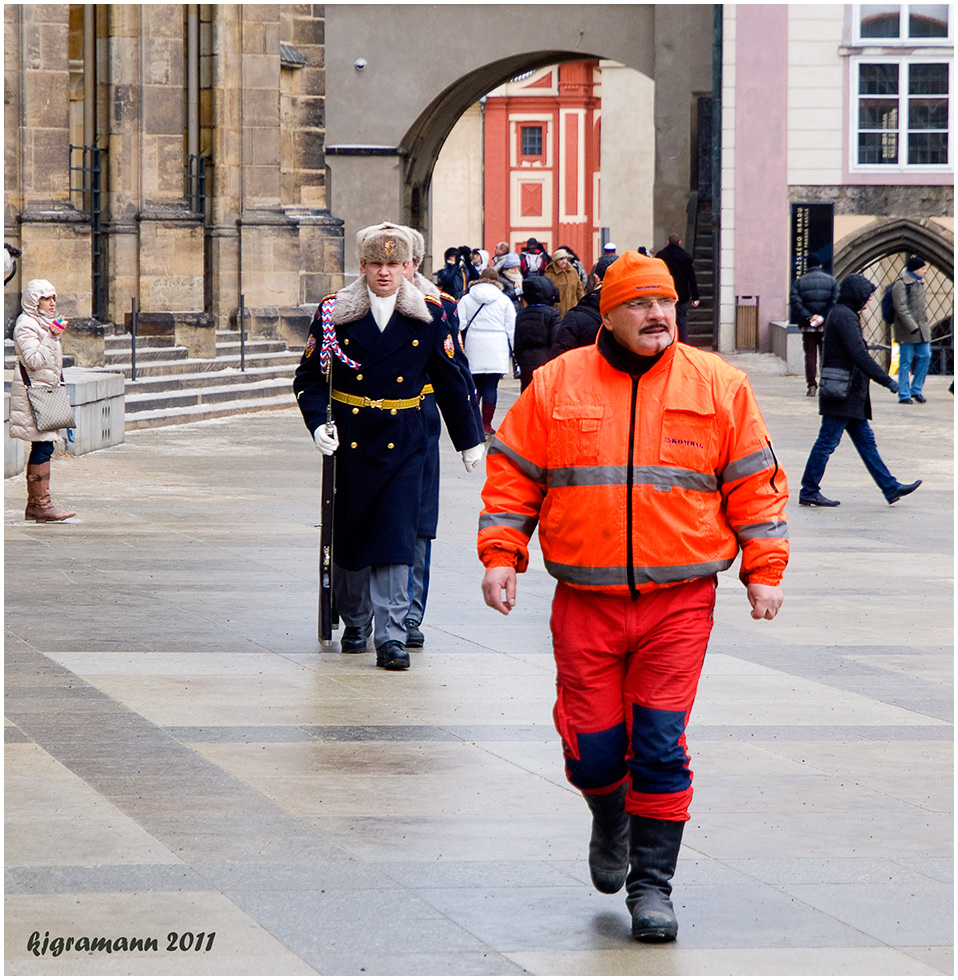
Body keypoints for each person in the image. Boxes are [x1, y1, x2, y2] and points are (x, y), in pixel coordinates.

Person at [478, 250, 788, 943]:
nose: (657, 315)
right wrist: (502, 555)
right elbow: (513, 476)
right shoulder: (558, 384)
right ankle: (608, 813)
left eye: (666, 303)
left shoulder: (719, 385)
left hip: (679, 600)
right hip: (585, 600)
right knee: (591, 751)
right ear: (609, 315)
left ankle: (653, 887)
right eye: (642, 305)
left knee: (658, 744)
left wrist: (764, 569)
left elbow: (756, 484)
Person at [294, 226, 485, 670]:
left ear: (407, 267)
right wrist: (317, 423)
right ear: (362, 267)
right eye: (375, 264)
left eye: (393, 264)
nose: (384, 272)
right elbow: (308, 378)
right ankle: (356, 621)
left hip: (405, 436)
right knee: (351, 537)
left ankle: (392, 635)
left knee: (397, 535)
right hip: (351, 438)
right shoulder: (333, 314)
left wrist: (468, 439)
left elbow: (451, 379)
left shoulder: (429, 316)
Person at [799, 273, 921, 508]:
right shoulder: (845, 316)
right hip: (842, 391)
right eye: (866, 296)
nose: (868, 301)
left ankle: (890, 486)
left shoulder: (843, 313)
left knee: (866, 441)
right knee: (827, 442)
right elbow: (859, 355)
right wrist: (887, 381)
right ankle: (809, 489)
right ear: (856, 295)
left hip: (849, 393)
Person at [10, 279, 76, 522]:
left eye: (53, 298)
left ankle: (35, 506)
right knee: (43, 446)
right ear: (33, 301)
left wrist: (52, 333)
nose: (52, 303)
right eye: (46, 298)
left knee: (43, 445)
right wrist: (52, 336)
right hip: (34, 397)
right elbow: (34, 361)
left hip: (46, 394)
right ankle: (42, 505)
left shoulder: (42, 324)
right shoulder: (26, 325)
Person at [458, 267, 516, 436]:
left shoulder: (467, 299)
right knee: (491, 387)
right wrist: (514, 350)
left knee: (475, 386)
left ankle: (473, 422)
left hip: (474, 344)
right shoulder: (504, 300)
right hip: (496, 346)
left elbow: (460, 324)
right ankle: (487, 425)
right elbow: (511, 327)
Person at [789, 257, 840, 397]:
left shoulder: (799, 282)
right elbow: (835, 301)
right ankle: (826, 383)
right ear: (820, 265)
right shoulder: (831, 281)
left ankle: (811, 385)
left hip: (808, 326)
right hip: (826, 326)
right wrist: (822, 317)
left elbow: (795, 302)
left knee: (810, 356)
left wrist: (809, 317)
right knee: (826, 356)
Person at [551, 254, 618, 357]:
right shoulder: (638, 314)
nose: (564, 261)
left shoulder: (575, 318)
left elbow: (559, 361)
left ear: (596, 279)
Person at [893, 255, 931, 405]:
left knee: (926, 356)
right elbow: (900, 308)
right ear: (915, 270)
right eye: (923, 268)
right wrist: (912, 327)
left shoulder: (919, 283)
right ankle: (904, 393)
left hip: (922, 330)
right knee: (905, 361)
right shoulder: (901, 285)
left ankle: (916, 389)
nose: (925, 271)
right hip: (907, 331)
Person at [513, 274, 560, 391]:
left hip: (526, 359)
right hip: (546, 358)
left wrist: (520, 361)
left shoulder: (521, 315)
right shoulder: (553, 314)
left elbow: (517, 344)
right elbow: (557, 340)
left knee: (528, 393)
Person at [655, 234, 699, 345]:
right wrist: (695, 297)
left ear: (668, 242)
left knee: (665, 321)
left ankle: (668, 344)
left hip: (665, 293)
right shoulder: (685, 256)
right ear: (679, 242)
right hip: (681, 294)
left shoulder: (661, 255)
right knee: (682, 322)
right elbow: (691, 277)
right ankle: (683, 345)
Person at [544, 247, 585, 317]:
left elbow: (579, 290)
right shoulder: (549, 274)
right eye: (561, 259)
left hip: (573, 312)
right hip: (557, 313)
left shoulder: (573, 272)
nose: (564, 261)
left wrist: (583, 305)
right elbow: (546, 295)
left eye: (565, 258)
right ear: (556, 261)